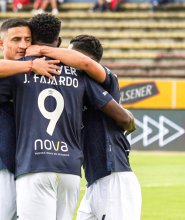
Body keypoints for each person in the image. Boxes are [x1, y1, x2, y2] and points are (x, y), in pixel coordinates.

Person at [0, 13, 135, 220]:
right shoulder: (79, 74)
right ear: (59, 42)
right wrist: (129, 120)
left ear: (32, 40)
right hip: (71, 169)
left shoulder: (16, 71)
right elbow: (118, 111)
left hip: (33, 165)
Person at [0, 18, 61, 220]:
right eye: (16, 39)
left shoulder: (37, 74)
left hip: (31, 167)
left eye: (28, 39)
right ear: (1, 44)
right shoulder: (0, 71)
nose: (23, 45)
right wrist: (30, 64)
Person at [60, 35, 141, 220]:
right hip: (94, 181)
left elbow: (123, 117)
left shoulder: (105, 80)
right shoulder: (76, 87)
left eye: (69, 55)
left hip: (114, 179)